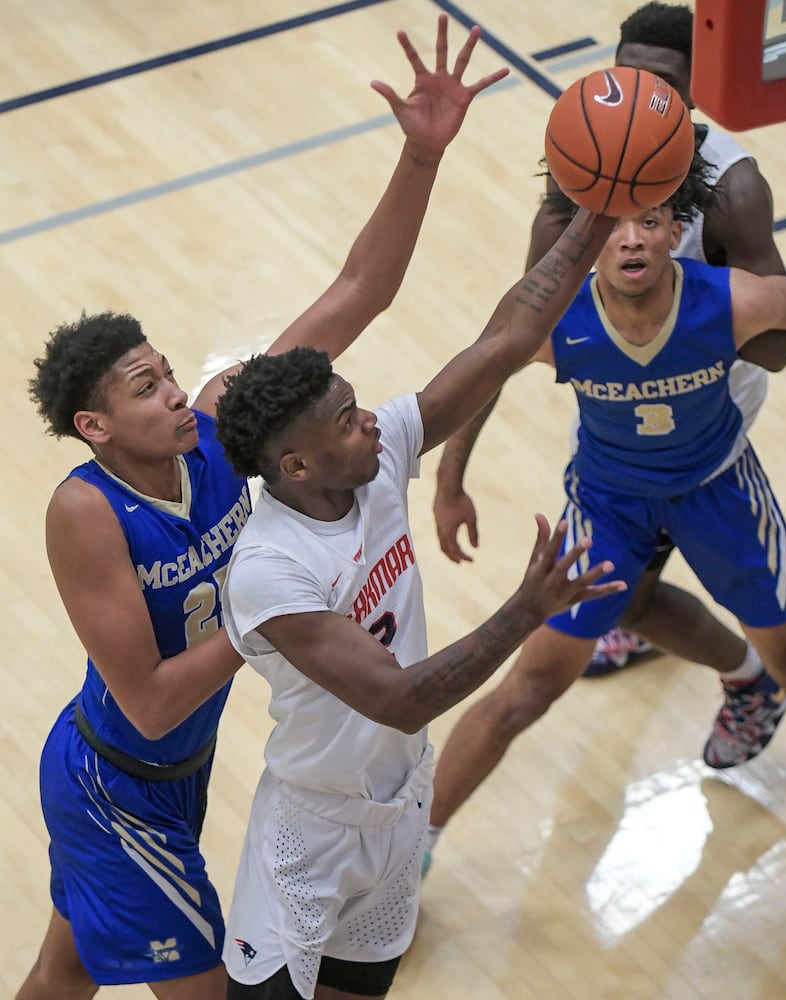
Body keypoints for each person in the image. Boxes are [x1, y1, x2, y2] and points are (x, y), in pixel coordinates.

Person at [16, 17, 509, 1000]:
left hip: (178, 774)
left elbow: (360, 287)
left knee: (63, 970)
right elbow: (153, 698)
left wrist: (419, 154)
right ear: (95, 426)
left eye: (167, 373)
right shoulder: (87, 513)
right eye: (147, 388)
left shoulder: (222, 437)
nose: (175, 393)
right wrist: (279, 619)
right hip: (119, 783)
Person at [213, 196, 627, 996]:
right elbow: (398, 699)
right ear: (295, 467)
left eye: (357, 403)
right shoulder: (270, 567)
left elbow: (506, 340)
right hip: (313, 828)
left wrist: (599, 214)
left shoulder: (377, 454)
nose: (371, 422)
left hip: (403, 804)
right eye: (345, 421)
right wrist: (523, 610)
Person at [424, 195, 786, 877]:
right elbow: (480, 372)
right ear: (587, 242)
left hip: (719, 489)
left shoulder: (730, 301)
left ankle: (756, 680)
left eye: (649, 224)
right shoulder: (558, 321)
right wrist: (450, 482)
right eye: (615, 228)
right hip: (607, 505)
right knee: (529, 686)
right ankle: (410, 849)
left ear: (675, 234)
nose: (632, 241)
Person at [434, 1, 786, 680]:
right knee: (624, 601)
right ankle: (743, 672)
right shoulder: (580, 183)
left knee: (624, 595)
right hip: (621, 399)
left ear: (695, 94)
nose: (640, 98)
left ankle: (749, 677)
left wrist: (699, 307)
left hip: (713, 405)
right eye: (627, 78)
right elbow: (509, 345)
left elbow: (776, 348)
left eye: (663, 86)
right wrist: (450, 477)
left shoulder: (732, 187)